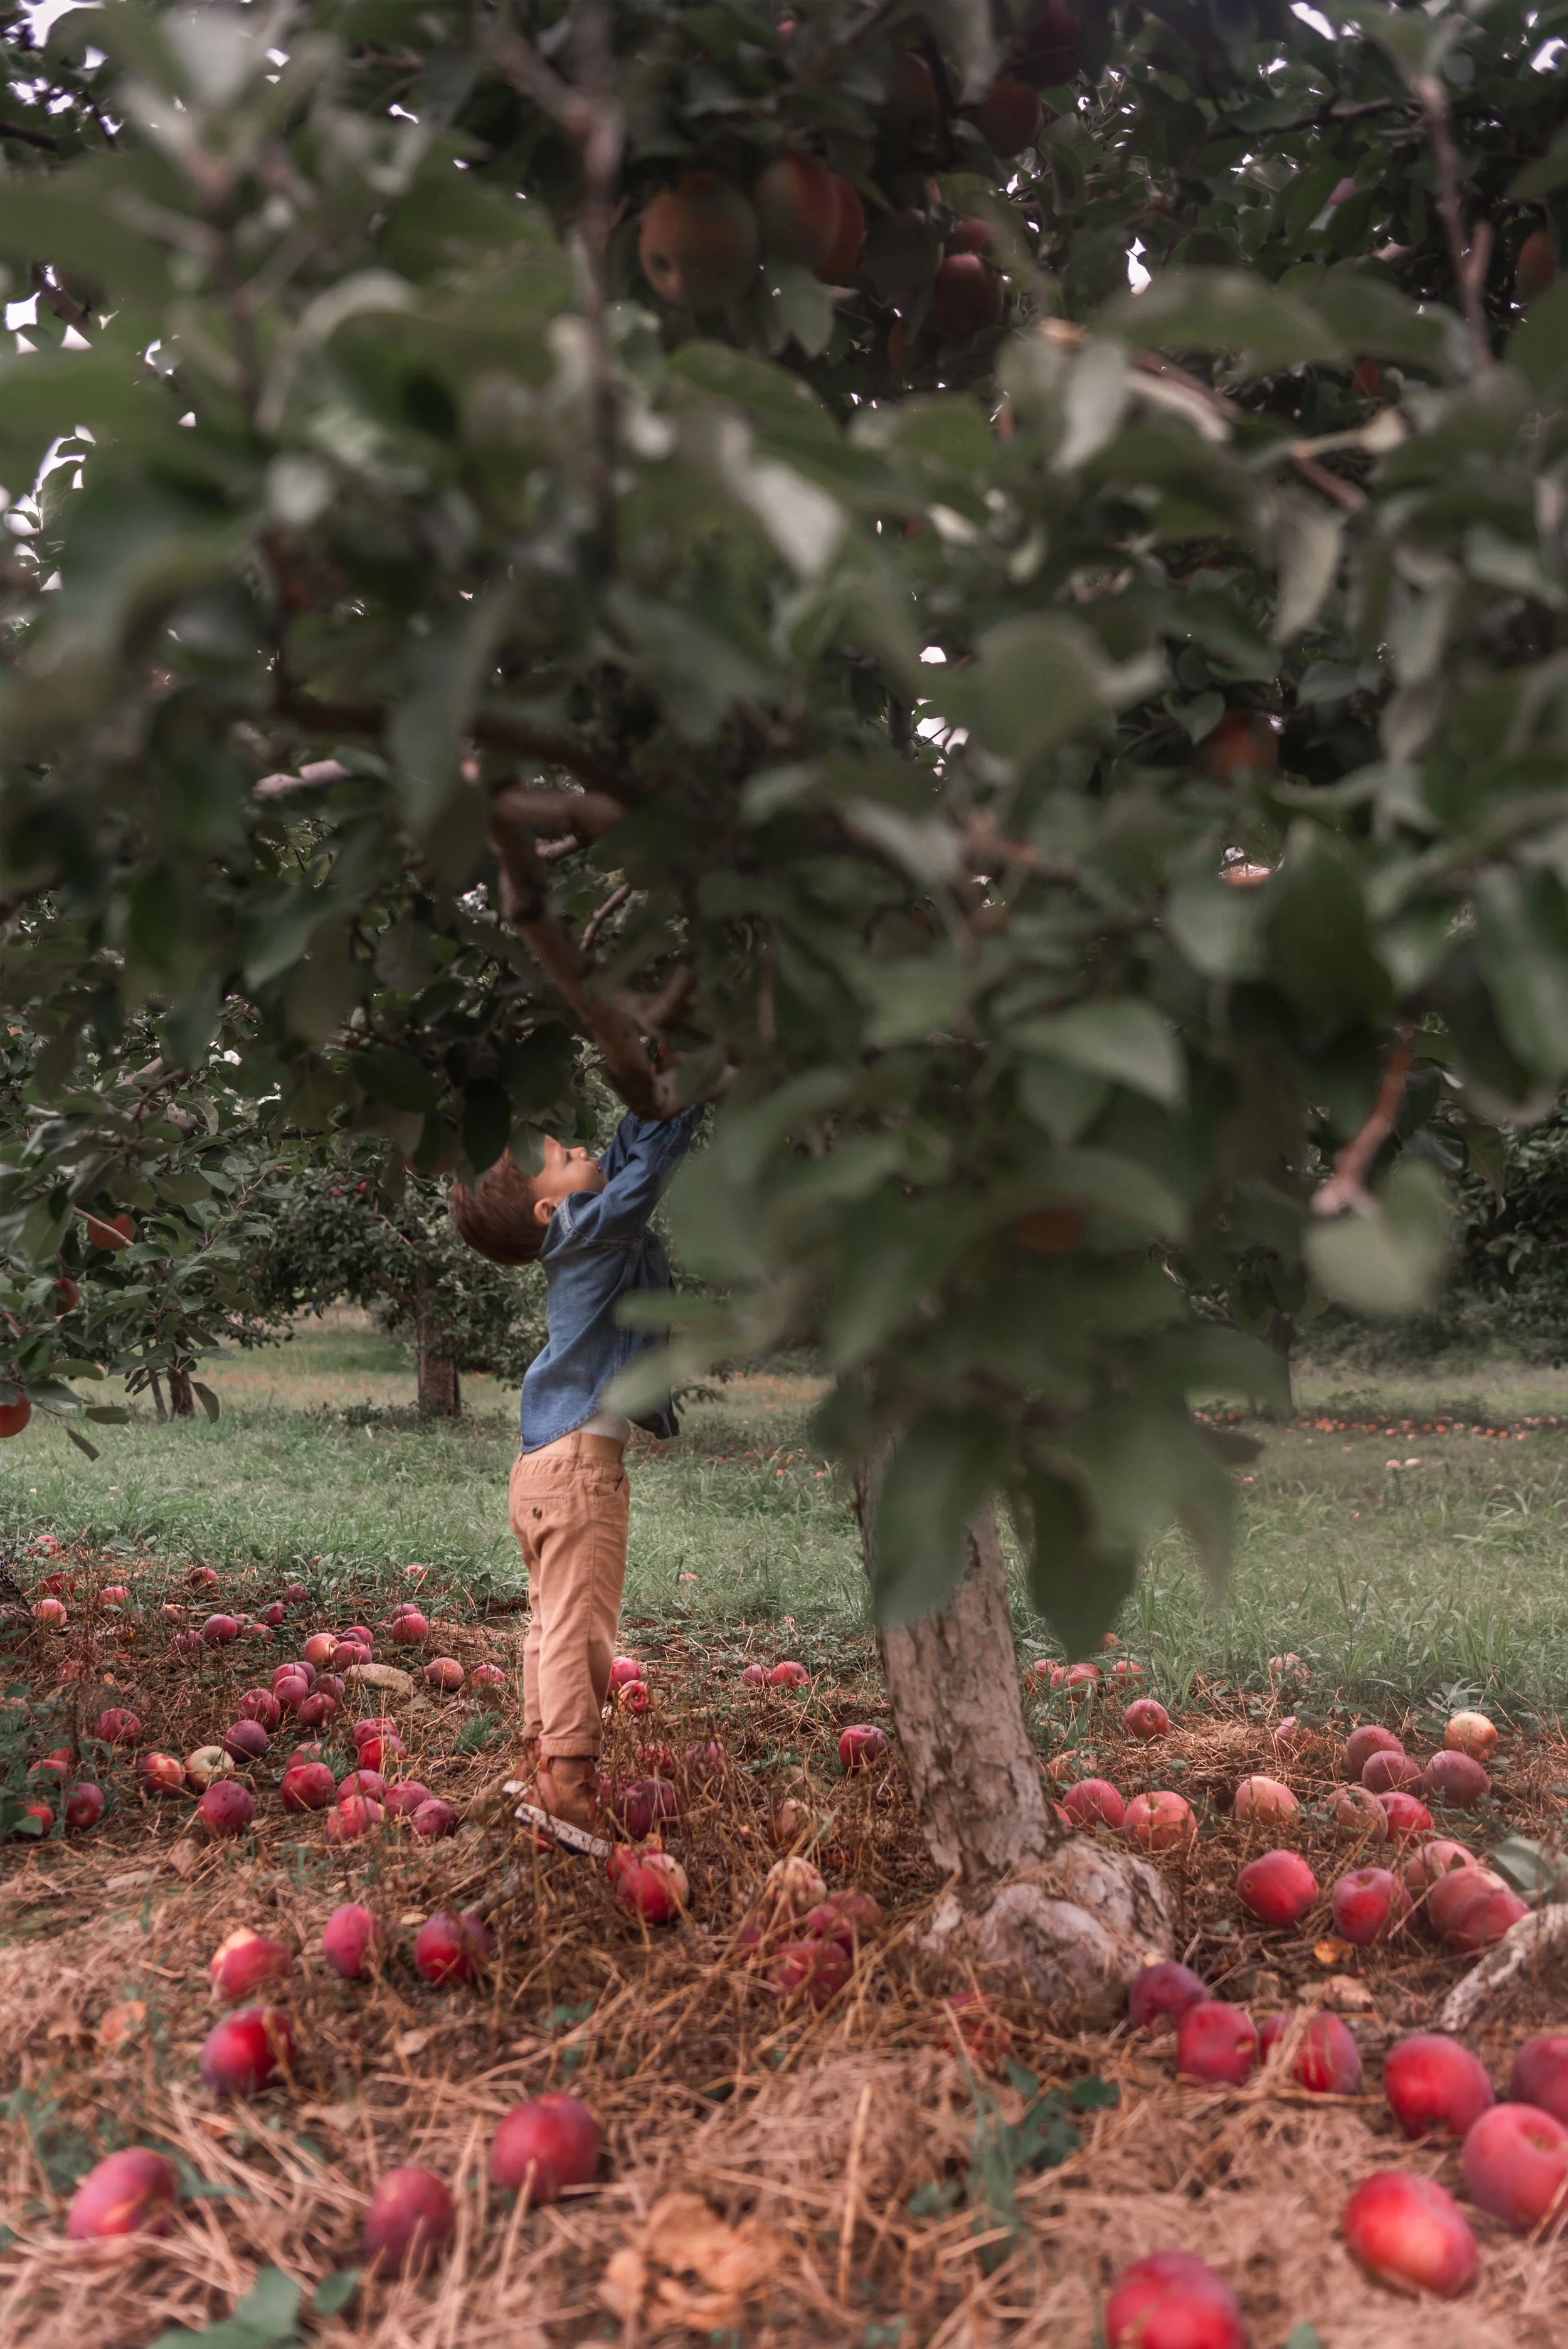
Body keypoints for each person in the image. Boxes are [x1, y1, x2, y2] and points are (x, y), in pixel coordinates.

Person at [450, 1110, 699, 1838]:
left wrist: (647, 1099)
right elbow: (642, 1175)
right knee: (579, 1628)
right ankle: (567, 1781)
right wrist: (680, 1098)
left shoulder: (578, 1230)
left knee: (550, 1623)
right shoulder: (588, 1228)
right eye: (565, 1156)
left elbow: (620, 1161)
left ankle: (539, 1761)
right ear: (550, 1208)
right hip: (577, 1475)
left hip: (541, 1469)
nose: (585, 1148)